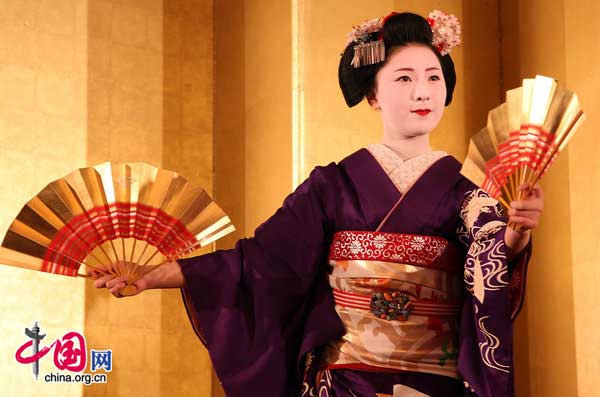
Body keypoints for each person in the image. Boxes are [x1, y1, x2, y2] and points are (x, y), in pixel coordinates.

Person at [93, 11, 544, 397]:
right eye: (404, 79)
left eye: (433, 78)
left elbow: (488, 244)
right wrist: (152, 276)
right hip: (344, 383)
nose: (422, 92)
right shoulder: (333, 184)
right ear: (372, 95)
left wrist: (517, 231)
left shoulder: (463, 191)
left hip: (434, 384)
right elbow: (261, 263)